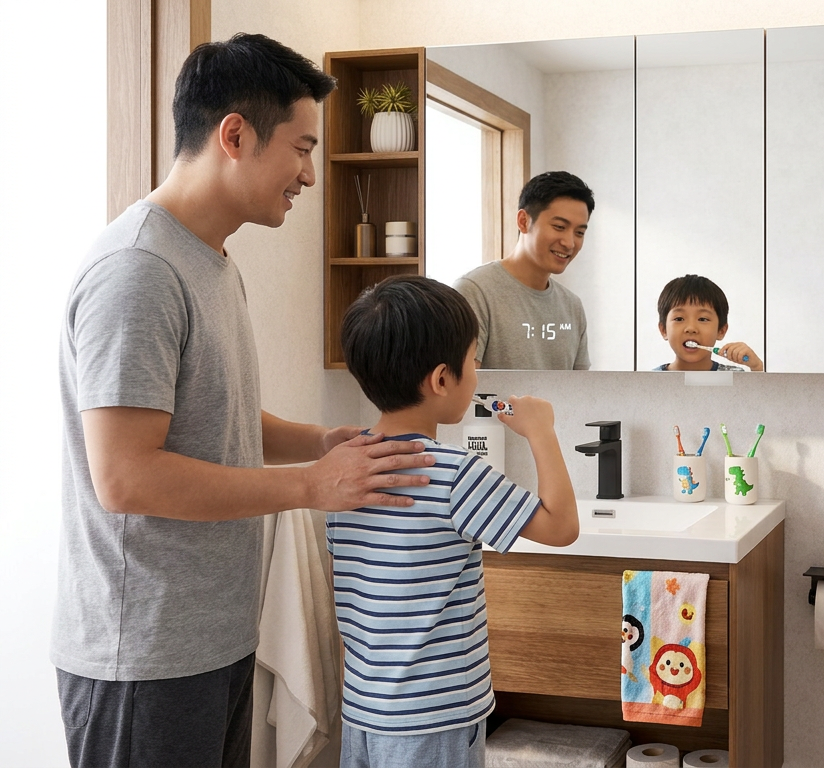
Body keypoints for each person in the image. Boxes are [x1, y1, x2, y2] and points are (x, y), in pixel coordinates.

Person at [54, 34, 439, 768]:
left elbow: (217, 421)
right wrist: (308, 487)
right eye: (300, 148)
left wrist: (322, 443)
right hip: (143, 654)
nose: (309, 175)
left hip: (212, 638)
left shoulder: (211, 261)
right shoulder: (139, 270)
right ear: (235, 134)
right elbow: (127, 477)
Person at [333, 275, 577, 767]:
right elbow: (560, 527)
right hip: (437, 717)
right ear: (442, 379)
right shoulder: (452, 472)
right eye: (473, 361)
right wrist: (541, 431)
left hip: (365, 710)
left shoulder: (343, 466)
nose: (478, 370)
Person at [456, 171, 595, 370]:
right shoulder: (474, 292)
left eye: (579, 232)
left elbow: (581, 391)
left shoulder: (572, 306)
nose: (569, 243)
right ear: (523, 221)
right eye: (559, 226)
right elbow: (462, 389)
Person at [653, 274, 763, 372]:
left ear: (721, 330)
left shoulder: (736, 378)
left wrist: (757, 367)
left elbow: (763, 394)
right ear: (663, 330)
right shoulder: (651, 381)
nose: (691, 328)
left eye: (703, 319)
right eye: (679, 319)